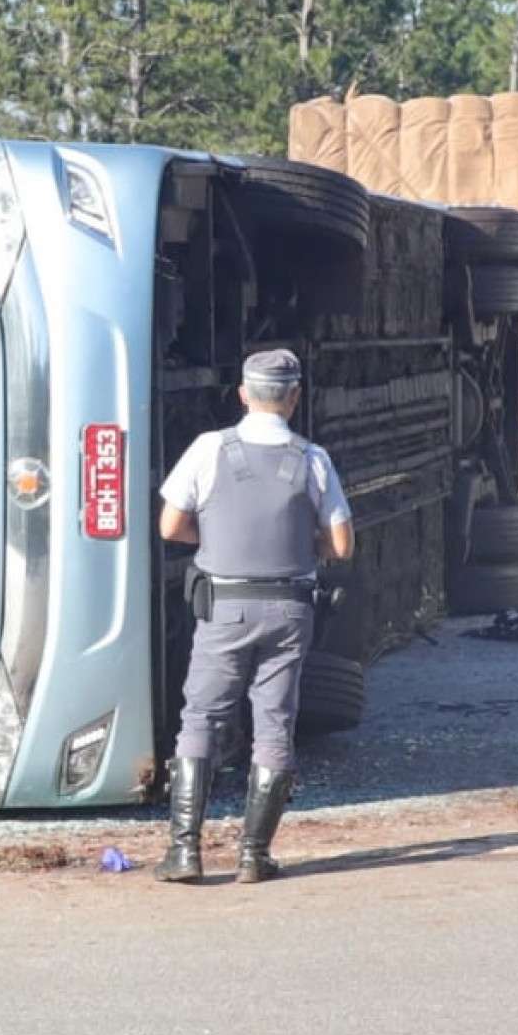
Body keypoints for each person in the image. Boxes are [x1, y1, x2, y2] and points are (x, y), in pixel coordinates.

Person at [151, 348, 355, 884]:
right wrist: (301, 545)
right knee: (274, 725)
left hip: (224, 606)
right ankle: (253, 855)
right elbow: (341, 543)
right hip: (289, 610)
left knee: (201, 719)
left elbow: (170, 527)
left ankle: (185, 852)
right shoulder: (312, 458)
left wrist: (215, 538)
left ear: (242, 394)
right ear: (294, 398)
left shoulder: (208, 449)